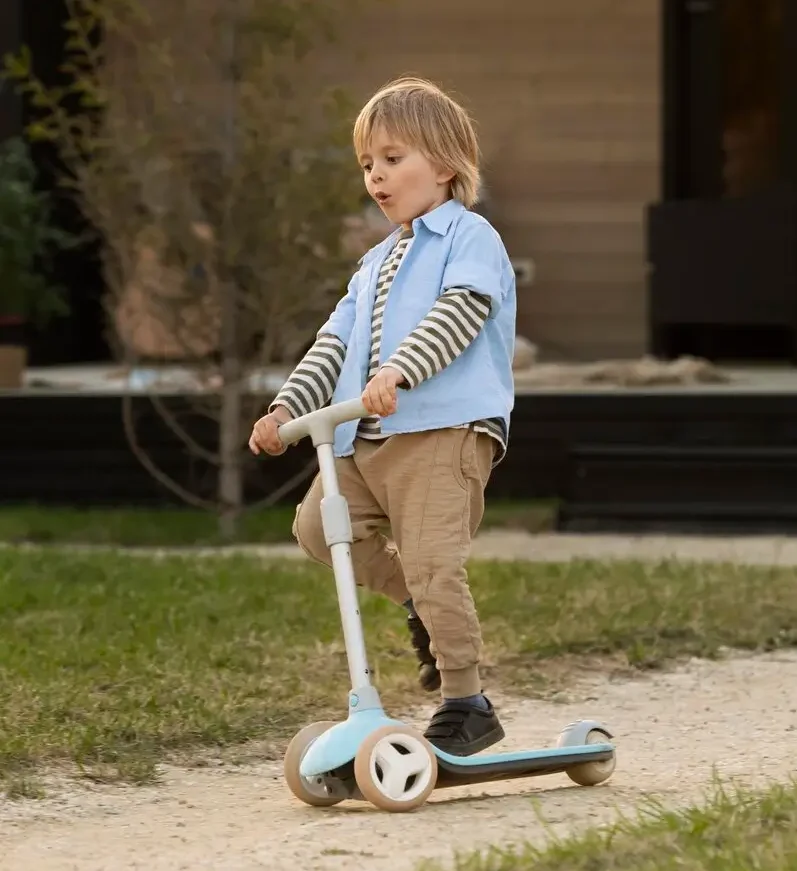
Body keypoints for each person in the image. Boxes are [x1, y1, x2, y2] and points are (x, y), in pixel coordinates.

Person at [249, 76, 516, 757]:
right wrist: (287, 406)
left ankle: (467, 700)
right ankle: (416, 605)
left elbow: (458, 312)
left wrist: (399, 371)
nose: (375, 176)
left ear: (445, 164)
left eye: (393, 159)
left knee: (434, 562)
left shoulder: (469, 237)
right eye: (368, 163)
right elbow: (334, 342)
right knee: (318, 529)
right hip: (363, 437)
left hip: (441, 431)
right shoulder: (373, 262)